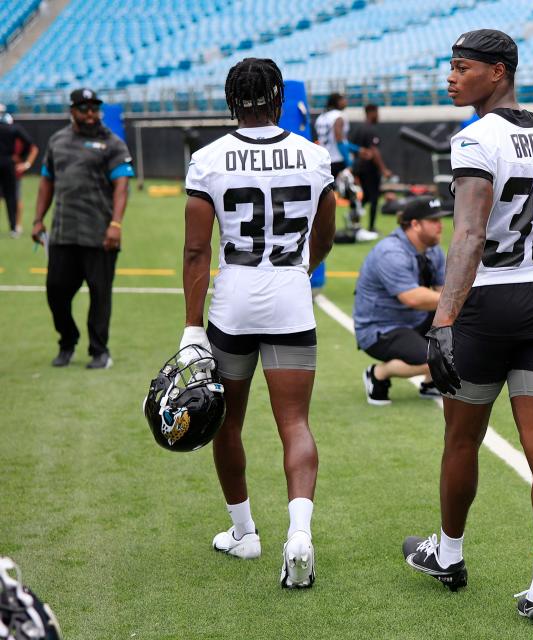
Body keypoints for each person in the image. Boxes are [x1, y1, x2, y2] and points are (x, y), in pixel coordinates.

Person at [401, 29, 533, 630]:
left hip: (487, 305)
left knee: (462, 441)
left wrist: (443, 320)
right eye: (451, 68)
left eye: (463, 68)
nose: (451, 77)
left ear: (498, 71)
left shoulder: (475, 139)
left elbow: (466, 237)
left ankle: (450, 554)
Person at [181, 58, 336, 588]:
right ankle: (299, 534)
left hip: (234, 300)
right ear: (278, 99)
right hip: (290, 294)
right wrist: (296, 272)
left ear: (231, 102)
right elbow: (326, 235)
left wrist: (191, 326)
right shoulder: (314, 156)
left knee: (229, 421)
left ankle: (245, 533)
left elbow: (197, 249)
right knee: (294, 422)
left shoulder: (208, 159)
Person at [31, 88, 133, 369]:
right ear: (72, 111)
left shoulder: (112, 143)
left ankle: (99, 351)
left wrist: (115, 223)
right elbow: (46, 181)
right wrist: (38, 219)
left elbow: (121, 187)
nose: (90, 114)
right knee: (55, 292)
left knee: (100, 295)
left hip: (100, 235)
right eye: (84, 108)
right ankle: (67, 340)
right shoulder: (57, 141)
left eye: (94, 108)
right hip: (63, 233)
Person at [354, 196, 447, 405]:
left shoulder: (434, 250)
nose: (441, 225)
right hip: (380, 328)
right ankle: (378, 374)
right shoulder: (391, 252)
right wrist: (463, 300)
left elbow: (444, 293)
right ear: (415, 224)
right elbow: (412, 298)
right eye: (433, 221)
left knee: (467, 332)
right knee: (438, 360)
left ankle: (431, 383)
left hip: (414, 319)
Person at [350, 103, 393, 239]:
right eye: (377, 112)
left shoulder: (358, 129)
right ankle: (371, 227)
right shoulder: (370, 129)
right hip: (370, 169)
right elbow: (374, 151)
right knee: (374, 198)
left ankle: (354, 220)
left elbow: (352, 148)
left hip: (359, 168)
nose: (378, 116)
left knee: (365, 197)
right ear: (371, 112)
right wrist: (384, 169)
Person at [0, 105, 37, 238]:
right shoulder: (14, 128)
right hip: (9, 163)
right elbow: (30, 145)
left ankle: (15, 226)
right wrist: (22, 161)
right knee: (12, 197)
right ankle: (14, 227)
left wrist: (24, 162)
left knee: (12, 197)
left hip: (8, 163)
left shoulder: (13, 128)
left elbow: (31, 146)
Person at [315, 92, 350, 177]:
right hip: (337, 159)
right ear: (337, 102)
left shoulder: (321, 117)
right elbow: (339, 140)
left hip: (322, 159)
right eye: (343, 99)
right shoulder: (338, 116)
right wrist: (349, 162)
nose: (346, 101)